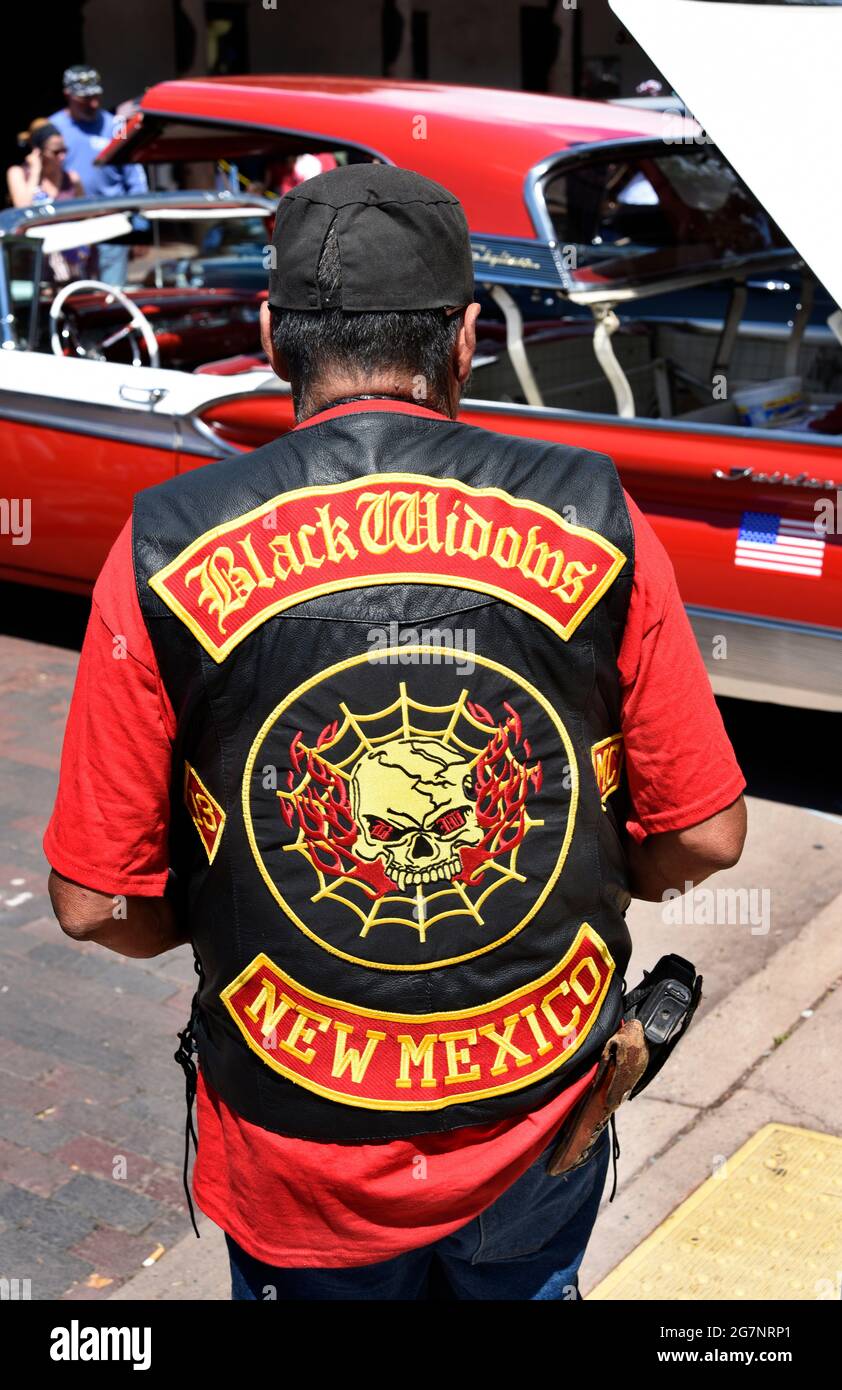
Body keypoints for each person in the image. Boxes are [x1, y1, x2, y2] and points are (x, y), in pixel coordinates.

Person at [44, 164, 747, 1301]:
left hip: (294, 1152)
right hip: (537, 1119)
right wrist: (608, 868)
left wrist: (236, 915)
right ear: (466, 335)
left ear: (272, 331)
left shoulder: (163, 544)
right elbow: (708, 837)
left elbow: (91, 901)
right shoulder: (593, 510)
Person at [48, 65, 148, 286]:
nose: (93, 103)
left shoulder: (116, 125)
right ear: (68, 95)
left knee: (112, 293)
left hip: (112, 222)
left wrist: (140, 229)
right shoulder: (53, 129)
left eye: (96, 96)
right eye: (85, 98)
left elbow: (135, 175)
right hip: (70, 226)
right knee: (75, 292)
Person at [6, 120, 91, 282]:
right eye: (56, 152)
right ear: (39, 152)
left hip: (71, 262)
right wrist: (35, 172)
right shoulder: (18, 173)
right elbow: (22, 208)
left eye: (64, 150)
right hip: (34, 264)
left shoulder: (71, 179)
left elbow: (85, 216)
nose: (62, 156)